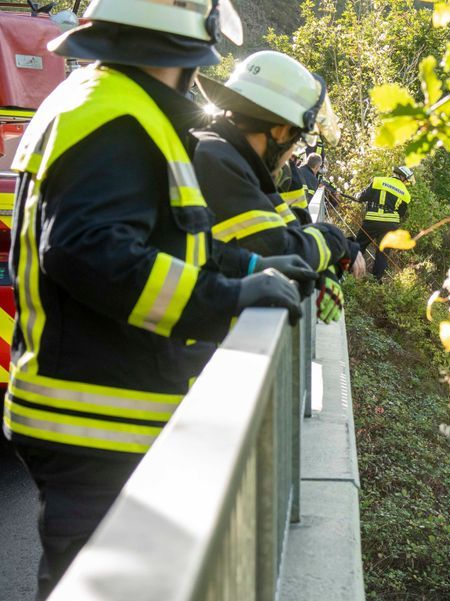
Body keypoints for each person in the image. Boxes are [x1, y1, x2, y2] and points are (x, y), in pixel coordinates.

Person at [1, 1, 317, 596]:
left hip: (91, 416)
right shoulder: (114, 117)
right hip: (94, 422)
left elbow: (164, 239)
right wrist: (225, 297)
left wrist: (249, 265)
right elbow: (89, 253)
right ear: (178, 52)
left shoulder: (103, 104)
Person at [192, 51, 365, 323]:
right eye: (296, 141)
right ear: (281, 131)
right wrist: (337, 240)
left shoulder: (232, 157)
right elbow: (280, 251)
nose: (291, 154)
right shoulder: (216, 160)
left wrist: (324, 268)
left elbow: (289, 230)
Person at [355, 165, 414, 280]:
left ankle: (347, 269)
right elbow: (401, 213)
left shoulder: (378, 181)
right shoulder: (406, 194)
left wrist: (358, 196)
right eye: (407, 180)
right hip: (390, 225)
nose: (406, 183)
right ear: (403, 177)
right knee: (383, 253)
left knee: (358, 245)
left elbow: (362, 197)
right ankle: (376, 280)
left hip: (372, 220)